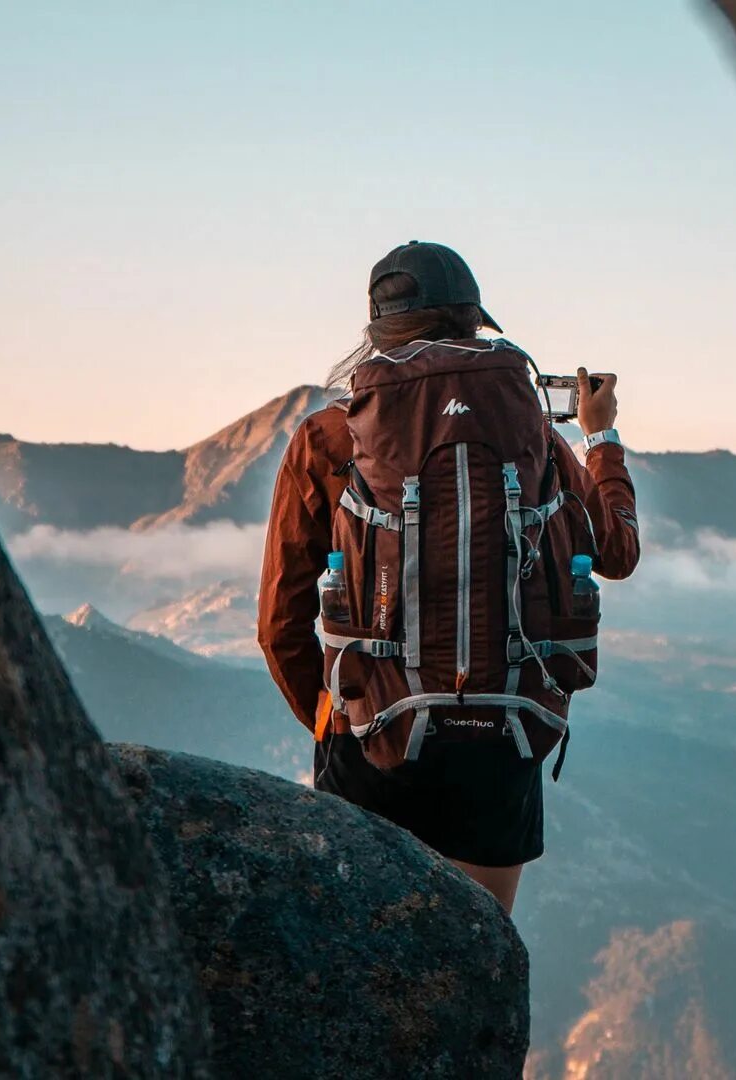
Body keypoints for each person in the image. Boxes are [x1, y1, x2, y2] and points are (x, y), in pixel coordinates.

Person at [257, 241, 640, 912]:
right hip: (503, 741)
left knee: (360, 958)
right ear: (472, 323)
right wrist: (601, 438)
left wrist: (335, 720)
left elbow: (279, 623)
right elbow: (618, 552)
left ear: (376, 331)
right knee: (475, 960)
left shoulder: (330, 438)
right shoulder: (535, 442)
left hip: (372, 741)